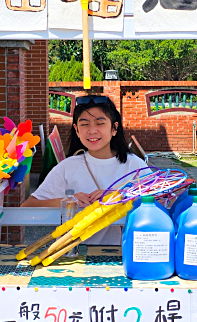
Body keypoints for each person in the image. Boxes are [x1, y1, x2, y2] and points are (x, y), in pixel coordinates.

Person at [23, 94, 147, 245]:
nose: (92, 130)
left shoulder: (134, 165)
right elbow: (28, 207)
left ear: (114, 128)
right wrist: (65, 202)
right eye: (84, 124)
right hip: (73, 256)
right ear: (76, 130)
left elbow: (162, 202)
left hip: (119, 254)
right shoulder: (66, 167)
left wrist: (119, 197)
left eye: (100, 123)